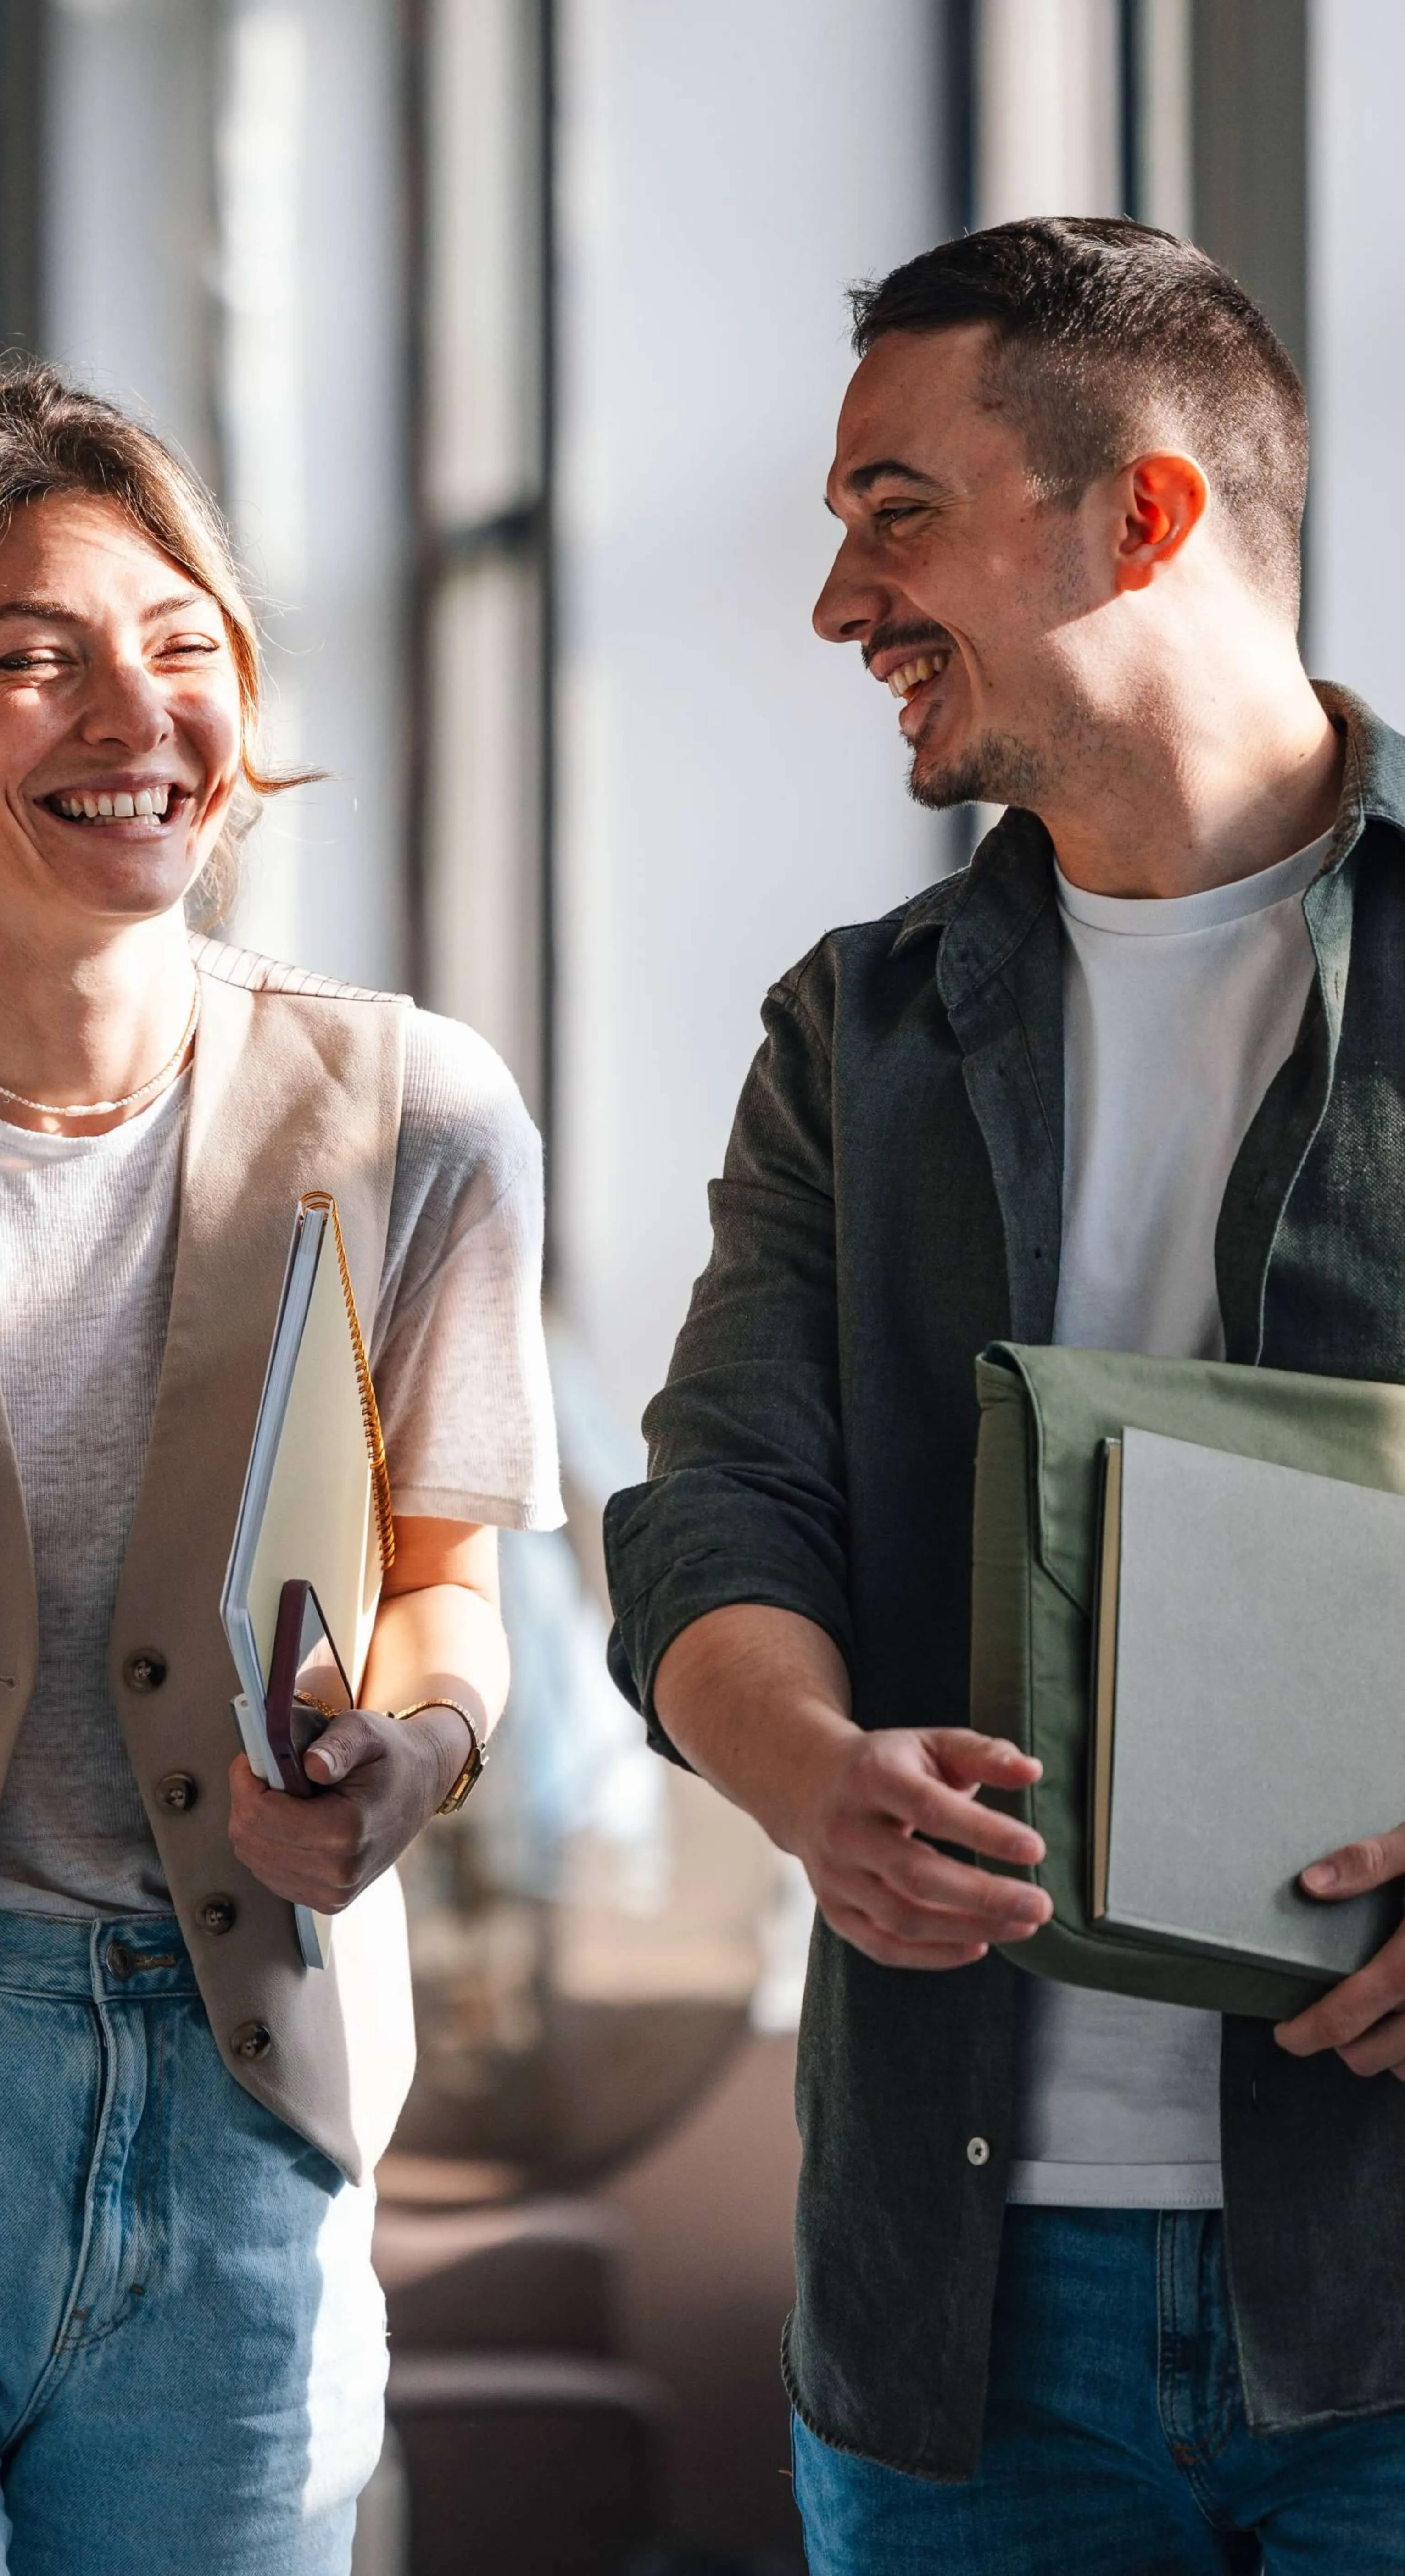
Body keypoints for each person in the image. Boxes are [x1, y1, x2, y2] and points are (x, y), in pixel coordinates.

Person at [0, 358, 559, 2576]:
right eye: (33, 660)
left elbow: (453, 1586)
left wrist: (419, 1754)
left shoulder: (413, 1115)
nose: (130, 714)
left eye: (183, 649)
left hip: (247, 2120)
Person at [606, 217, 1405, 2570]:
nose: (840, 604)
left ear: (1140, 516)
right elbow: (714, 1508)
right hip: (963, 2330)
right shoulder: (851, 1035)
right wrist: (808, 1778)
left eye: (894, 511)